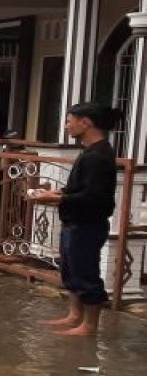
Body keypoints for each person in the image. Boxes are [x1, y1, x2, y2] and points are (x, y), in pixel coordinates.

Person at [30, 103, 121, 336]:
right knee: (71, 270)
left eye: (69, 120)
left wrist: (57, 198)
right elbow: (82, 190)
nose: (66, 126)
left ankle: (89, 326)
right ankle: (74, 315)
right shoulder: (90, 152)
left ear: (86, 122)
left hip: (88, 223)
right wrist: (59, 195)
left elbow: (93, 196)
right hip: (76, 221)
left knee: (85, 272)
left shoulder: (99, 156)